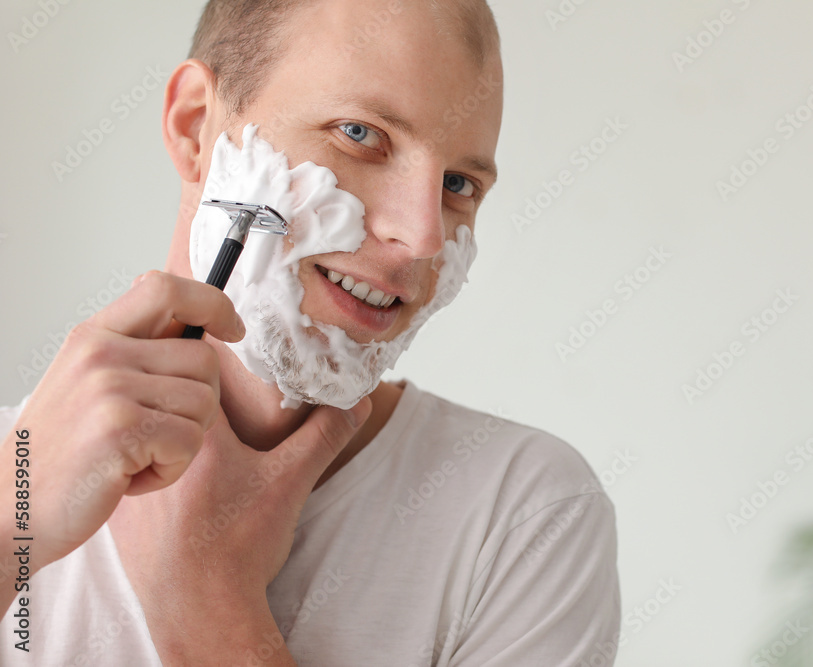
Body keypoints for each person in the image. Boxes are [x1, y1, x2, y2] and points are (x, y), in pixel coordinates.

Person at [0, 0, 621, 664]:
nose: (421, 236)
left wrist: (206, 595)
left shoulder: (523, 516)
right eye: (359, 132)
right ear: (195, 129)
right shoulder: (13, 483)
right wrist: (11, 521)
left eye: (458, 183)